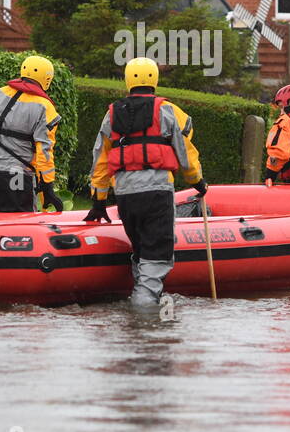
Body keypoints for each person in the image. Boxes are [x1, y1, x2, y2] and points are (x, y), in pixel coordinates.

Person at [86, 57, 205, 308]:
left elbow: (101, 160)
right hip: (157, 190)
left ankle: (142, 304)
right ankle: (144, 310)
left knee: (140, 250)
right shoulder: (169, 111)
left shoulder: (111, 115)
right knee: (158, 253)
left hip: (126, 194)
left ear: (128, 80)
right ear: (155, 80)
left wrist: (98, 200)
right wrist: (197, 181)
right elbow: (185, 151)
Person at [0, 55, 64, 212]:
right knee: (21, 229)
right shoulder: (44, 107)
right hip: (16, 175)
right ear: (46, 78)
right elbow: (44, 152)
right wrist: (47, 188)